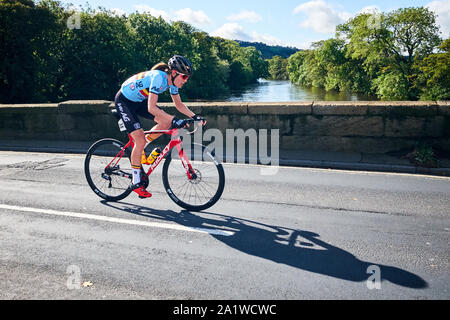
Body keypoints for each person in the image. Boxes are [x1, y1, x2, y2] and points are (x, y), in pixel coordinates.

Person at [114, 55, 206, 198]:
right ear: (174, 73)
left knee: (165, 122)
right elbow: (151, 108)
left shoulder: (172, 84)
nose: (185, 81)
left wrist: (194, 116)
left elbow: (179, 105)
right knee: (139, 140)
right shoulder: (159, 78)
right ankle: (136, 182)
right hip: (124, 101)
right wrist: (175, 119)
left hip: (138, 101)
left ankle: (142, 150)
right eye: (184, 77)